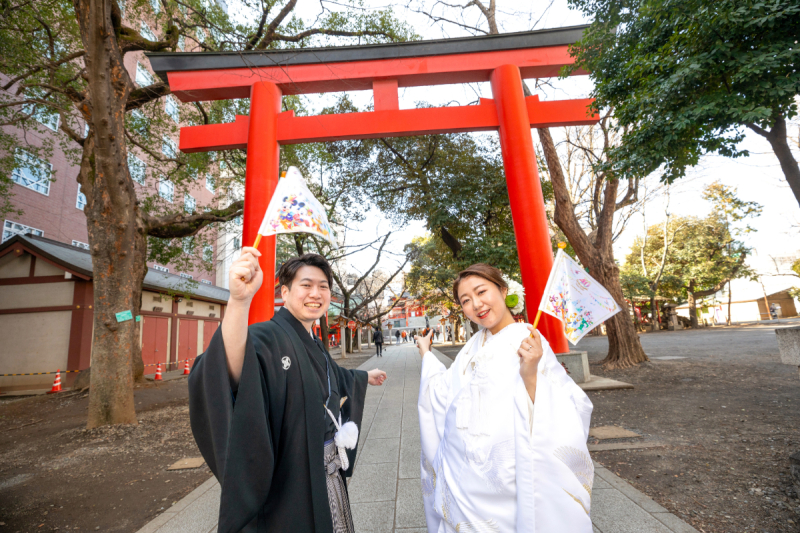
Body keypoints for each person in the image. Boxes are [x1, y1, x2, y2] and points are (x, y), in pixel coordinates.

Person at [189, 250, 388, 533]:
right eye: (306, 285)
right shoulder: (266, 336)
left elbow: (331, 377)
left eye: (323, 287)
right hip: (289, 479)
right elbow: (229, 371)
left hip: (328, 473)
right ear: (285, 291)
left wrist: (363, 376)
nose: (315, 293)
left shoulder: (314, 342)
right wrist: (239, 301)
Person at [414, 264, 593, 532]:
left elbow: (570, 406)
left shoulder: (528, 339)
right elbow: (442, 392)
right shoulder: (474, 344)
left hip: (506, 478)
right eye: (466, 300)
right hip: (461, 477)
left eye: (481, 291)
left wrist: (531, 372)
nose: (476, 304)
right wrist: (427, 356)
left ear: (503, 290)